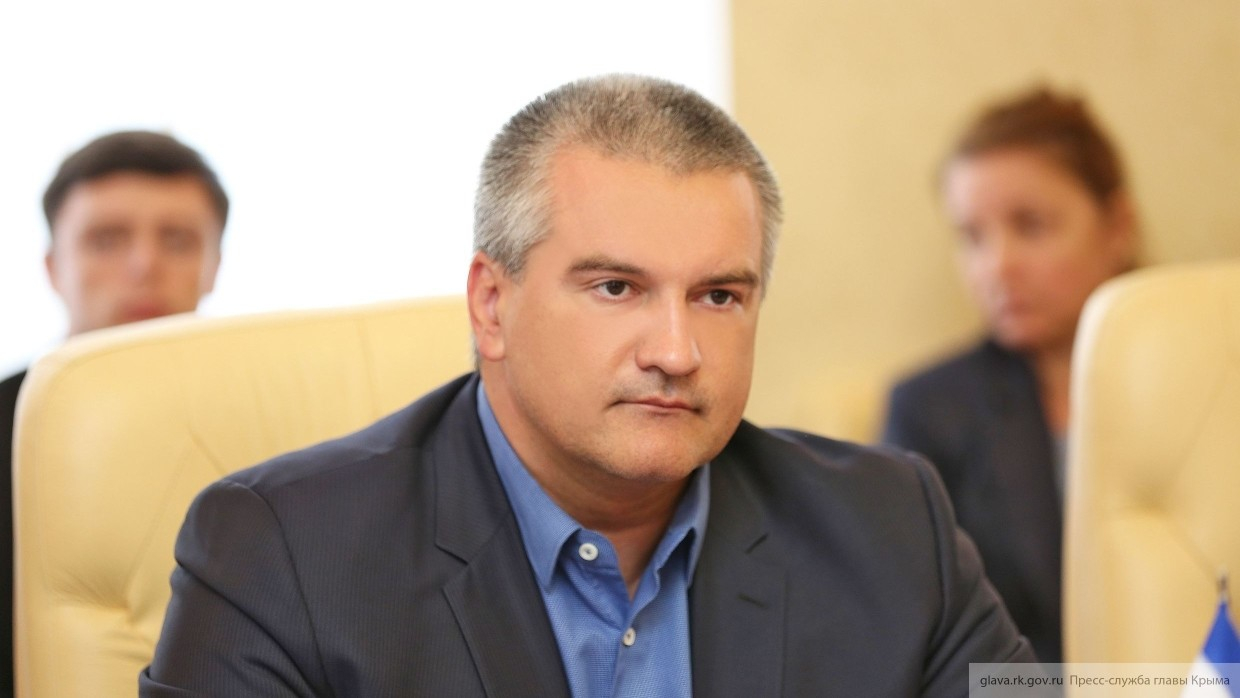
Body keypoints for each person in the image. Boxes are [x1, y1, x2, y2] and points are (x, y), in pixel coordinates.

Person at [142, 75, 1032, 697]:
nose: (677, 351)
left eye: (719, 296)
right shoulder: (280, 556)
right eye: (616, 288)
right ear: (492, 305)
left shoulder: (890, 525)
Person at [882, 87, 1139, 664]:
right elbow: (914, 647)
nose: (997, 265)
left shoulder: (1208, 383)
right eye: (972, 237)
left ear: (1118, 225)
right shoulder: (930, 410)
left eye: (1031, 225)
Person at [1, 130, 227, 697]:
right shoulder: (11, 421)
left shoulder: (273, 426)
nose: (144, 264)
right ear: (54, 266)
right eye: (106, 240)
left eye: (177, 240)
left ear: (214, 264)